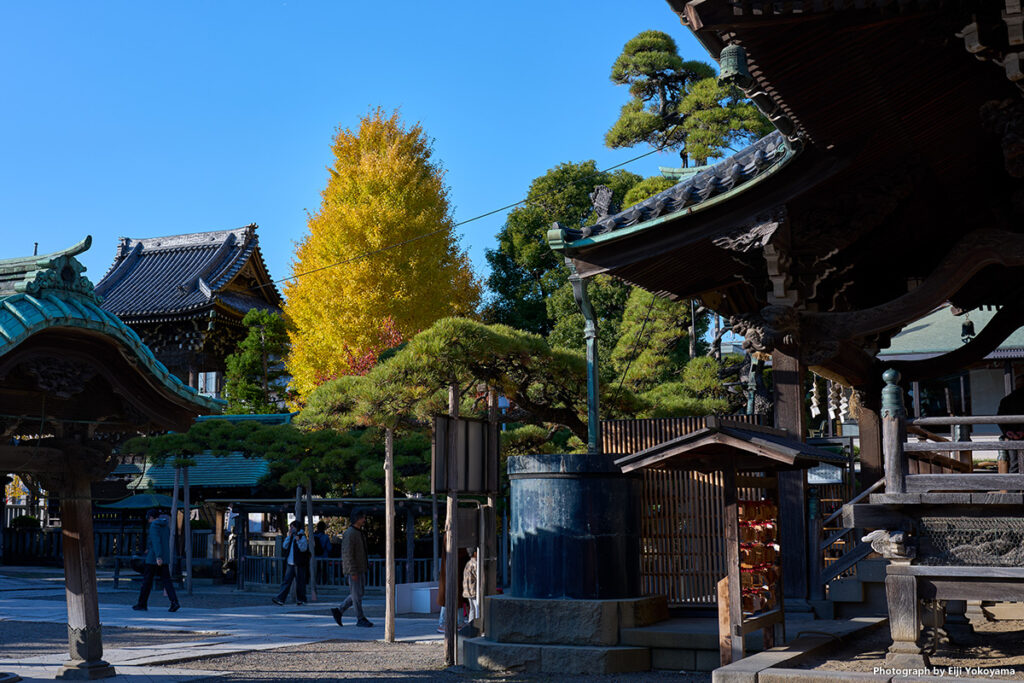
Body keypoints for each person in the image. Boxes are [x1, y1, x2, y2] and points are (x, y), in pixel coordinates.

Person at [332, 509, 373, 628]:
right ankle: (360, 617)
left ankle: (339, 611)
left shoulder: (358, 532)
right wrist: (352, 570)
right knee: (356, 595)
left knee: (358, 594)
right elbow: (347, 553)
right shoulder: (350, 533)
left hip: (360, 567)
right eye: (362, 518)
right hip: (355, 569)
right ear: (357, 518)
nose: (364, 520)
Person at [133, 508, 179, 612]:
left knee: (147, 581)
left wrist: (158, 556)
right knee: (167, 581)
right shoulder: (165, 526)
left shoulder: (154, 526)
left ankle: (142, 603)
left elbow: (156, 541)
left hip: (154, 558)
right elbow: (162, 541)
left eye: (148, 518)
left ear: (151, 517)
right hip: (164, 556)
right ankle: (174, 602)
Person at [272, 520, 309, 606]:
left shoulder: (301, 536)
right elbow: (284, 546)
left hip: (299, 562)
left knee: (300, 582)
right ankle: (281, 598)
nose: (291, 529)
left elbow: (303, 548)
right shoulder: (291, 536)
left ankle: (301, 599)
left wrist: (298, 540)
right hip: (290, 562)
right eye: (290, 527)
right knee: (286, 581)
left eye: (293, 527)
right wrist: (289, 537)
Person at [998, 375, 1024, 473]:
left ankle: (1013, 487)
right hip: (1014, 434)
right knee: (1015, 463)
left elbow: (999, 418)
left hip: (1011, 435)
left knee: (1014, 464)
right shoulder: (1007, 400)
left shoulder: (1006, 400)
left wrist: (1008, 432)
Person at [462, 547, 479, 622]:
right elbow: (478, 577)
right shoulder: (475, 564)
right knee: (477, 608)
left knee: (472, 609)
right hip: (474, 590)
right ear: (475, 553)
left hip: (467, 590)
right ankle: (478, 625)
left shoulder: (468, 563)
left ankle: (471, 624)